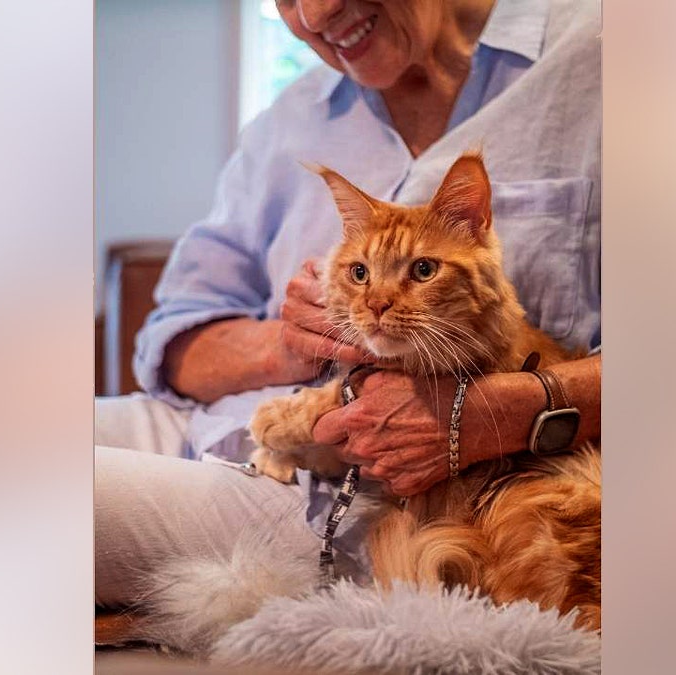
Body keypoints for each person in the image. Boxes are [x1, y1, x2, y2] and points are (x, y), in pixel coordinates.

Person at [95, 0, 601, 608]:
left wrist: (495, 415)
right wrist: (287, 347)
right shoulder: (289, 118)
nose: (315, 14)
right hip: (207, 422)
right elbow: (173, 339)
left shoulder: (603, 58)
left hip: (358, 496)